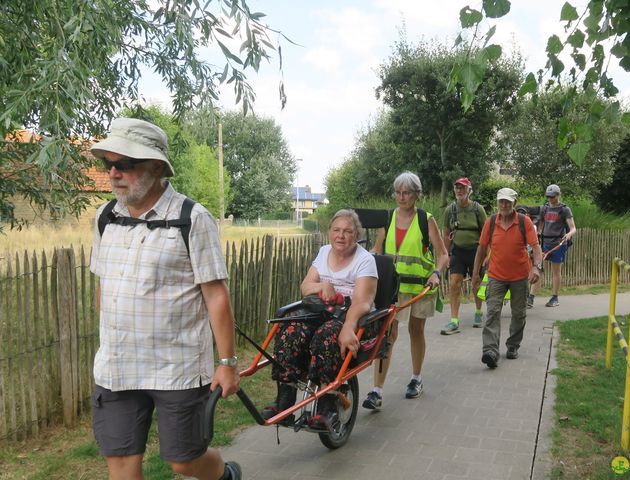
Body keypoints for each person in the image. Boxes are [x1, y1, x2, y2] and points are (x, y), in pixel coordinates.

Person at [89, 118, 242, 480]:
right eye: (108, 164)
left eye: (124, 164)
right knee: (123, 468)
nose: (113, 173)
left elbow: (216, 295)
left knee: (184, 461)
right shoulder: (105, 217)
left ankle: (224, 475)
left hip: (177, 367)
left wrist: (227, 363)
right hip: (117, 366)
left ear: (155, 167)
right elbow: (104, 284)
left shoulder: (192, 218)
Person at [262, 209, 378, 429]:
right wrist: (322, 286)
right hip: (320, 312)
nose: (341, 236)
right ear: (329, 232)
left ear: (356, 235)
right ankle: (284, 403)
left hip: (351, 315)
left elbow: (363, 302)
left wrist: (348, 327)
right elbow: (306, 287)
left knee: (326, 337)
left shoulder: (365, 260)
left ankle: (328, 408)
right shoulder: (324, 252)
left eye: (347, 231)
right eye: (336, 230)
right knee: (290, 331)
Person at [362, 172, 449, 410]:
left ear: (416, 195)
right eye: (398, 192)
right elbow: (376, 250)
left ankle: (416, 378)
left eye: (407, 192)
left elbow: (443, 254)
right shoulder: (388, 218)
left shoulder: (425, 219)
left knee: (416, 330)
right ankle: (377, 390)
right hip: (392, 288)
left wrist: (436, 273)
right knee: (387, 334)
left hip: (421, 287)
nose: (402, 197)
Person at [472, 187, 542, 369]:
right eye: (501, 202)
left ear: (514, 204)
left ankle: (512, 345)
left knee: (518, 314)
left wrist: (536, 267)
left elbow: (535, 247)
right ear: (497, 203)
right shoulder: (491, 221)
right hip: (496, 275)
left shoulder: (523, 222)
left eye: (508, 202)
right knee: (493, 312)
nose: (504, 205)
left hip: (520, 276)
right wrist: (475, 274)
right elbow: (481, 249)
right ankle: (490, 351)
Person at [441, 177, 487, 334]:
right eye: (457, 188)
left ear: (469, 191)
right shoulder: (450, 210)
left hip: (476, 251)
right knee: (454, 283)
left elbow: (486, 233)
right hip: (458, 251)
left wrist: (486, 255)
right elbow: (446, 233)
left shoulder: (477, 209)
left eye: (463, 188)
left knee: (476, 283)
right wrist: (445, 254)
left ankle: (479, 312)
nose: (459, 191)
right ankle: (454, 320)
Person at [528, 184, 577, 308]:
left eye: (552, 197)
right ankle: (531, 297)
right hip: (544, 243)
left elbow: (573, 228)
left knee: (556, 271)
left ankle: (555, 297)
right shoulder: (544, 208)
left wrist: (569, 235)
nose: (550, 199)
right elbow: (540, 224)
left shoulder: (565, 209)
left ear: (559, 195)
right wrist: (537, 233)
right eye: (548, 197)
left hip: (558, 243)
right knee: (539, 269)